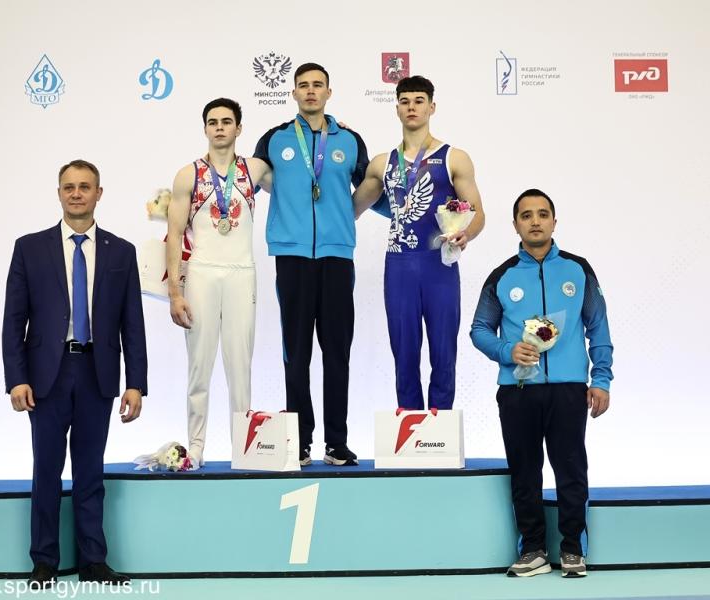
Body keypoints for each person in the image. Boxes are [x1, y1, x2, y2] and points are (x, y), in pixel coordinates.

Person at [2, 159, 147, 587]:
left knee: (90, 471)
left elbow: (132, 322)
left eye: (85, 186)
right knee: (46, 469)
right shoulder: (29, 248)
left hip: (97, 372)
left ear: (99, 193)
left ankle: (93, 561)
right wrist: (16, 378)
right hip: (46, 374)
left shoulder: (121, 251)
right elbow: (14, 320)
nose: (77, 193)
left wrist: (136, 383)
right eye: (69, 187)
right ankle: (44, 560)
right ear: (59, 193)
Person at [470, 189, 613, 578]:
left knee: (571, 469)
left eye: (543, 214)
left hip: (568, 390)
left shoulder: (577, 270)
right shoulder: (502, 276)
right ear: (515, 225)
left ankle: (572, 549)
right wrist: (507, 350)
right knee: (524, 472)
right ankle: (532, 549)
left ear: (554, 221)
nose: (535, 221)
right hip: (518, 391)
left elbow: (598, 327)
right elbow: (479, 329)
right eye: (526, 215)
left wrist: (601, 379)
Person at [254, 62, 369, 466]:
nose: (310, 91)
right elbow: (247, 182)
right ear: (294, 93)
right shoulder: (275, 139)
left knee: (337, 352)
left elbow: (371, 187)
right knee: (296, 352)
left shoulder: (350, 140)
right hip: (292, 256)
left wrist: (344, 219)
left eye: (318, 85)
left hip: (337, 257)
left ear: (329, 92)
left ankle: (336, 442)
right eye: (303, 85)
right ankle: (299, 440)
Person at [354, 75, 485, 410]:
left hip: (439, 265)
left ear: (432, 107)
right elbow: (350, 210)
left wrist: (466, 234)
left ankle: (440, 427)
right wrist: (346, 144)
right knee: (404, 354)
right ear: (397, 109)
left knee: (444, 353)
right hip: (399, 267)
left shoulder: (454, 157)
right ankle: (410, 427)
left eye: (419, 101)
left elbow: (478, 213)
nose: (411, 107)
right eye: (405, 102)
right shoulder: (382, 163)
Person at [168, 98, 270, 467]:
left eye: (227, 122)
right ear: (205, 129)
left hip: (242, 273)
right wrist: (175, 291)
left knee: (240, 366)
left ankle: (243, 447)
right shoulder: (188, 175)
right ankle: (196, 447)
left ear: (239, 128)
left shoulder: (256, 169)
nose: (220, 128)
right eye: (213, 122)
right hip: (202, 273)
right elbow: (174, 233)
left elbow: (296, 184)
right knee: (199, 366)